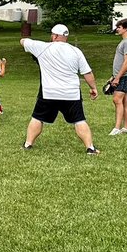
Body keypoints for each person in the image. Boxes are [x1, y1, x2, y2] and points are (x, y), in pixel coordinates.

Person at [21, 23, 101, 154]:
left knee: (37, 118)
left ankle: (28, 144)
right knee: (79, 120)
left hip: (49, 92)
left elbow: (23, 41)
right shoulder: (76, 51)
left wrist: (27, 40)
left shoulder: (42, 47)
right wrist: (93, 88)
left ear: (55, 36)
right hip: (71, 93)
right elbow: (87, 72)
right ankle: (90, 148)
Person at [109, 19, 127, 136]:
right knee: (125, 101)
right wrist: (113, 76)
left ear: (125, 28)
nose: (117, 29)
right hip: (121, 76)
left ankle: (117, 128)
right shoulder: (124, 42)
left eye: (119, 27)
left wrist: (118, 78)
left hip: (125, 76)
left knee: (117, 100)